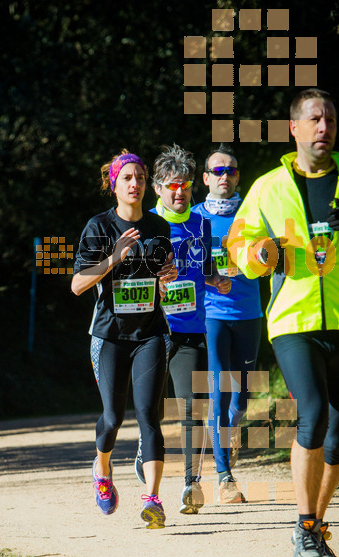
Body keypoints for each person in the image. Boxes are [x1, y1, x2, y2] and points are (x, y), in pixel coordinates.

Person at [230, 88, 339, 557]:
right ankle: (303, 526)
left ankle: (314, 526)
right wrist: (259, 254)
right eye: (315, 120)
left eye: (332, 120)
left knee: (338, 432)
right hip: (292, 319)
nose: (325, 128)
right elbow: (239, 245)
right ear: (294, 128)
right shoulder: (267, 187)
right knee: (313, 413)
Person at [71, 150, 177, 529]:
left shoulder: (158, 227)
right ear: (114, 184)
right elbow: (78, 285)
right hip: (110, 336)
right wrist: (113, 258)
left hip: (150, 333)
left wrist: (168, 274)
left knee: (150, 415)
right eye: (127, 178)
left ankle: (152, 499)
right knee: (113, 418)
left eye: (141, 178)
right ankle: (102, 468)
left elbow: (163, 278)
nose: (135, 184)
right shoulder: (98, 227)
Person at [143, 144, 231, 514]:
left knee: (193, 407)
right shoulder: (145, 224)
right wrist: (154, 285)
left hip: (191, 329)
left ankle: (190, 485)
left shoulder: (202, 223)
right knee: (151, 411)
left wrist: (218, 280)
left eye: (185, 185)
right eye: (172, 185)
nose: (180, 192)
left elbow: (204, 269)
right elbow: (124, 282)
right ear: (158, 189)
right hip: (149, 331)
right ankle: (146, 453)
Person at [192, 145, 262, 503]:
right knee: (218, 392)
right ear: (205, 178)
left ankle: (231, 430)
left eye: (231, 171)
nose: (224, 176)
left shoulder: (255, 213)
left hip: (250, 312)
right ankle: (224, 477)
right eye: (217, 171)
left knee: (242, 397)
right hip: (212, 314)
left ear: (238, 177)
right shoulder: (192, 217)